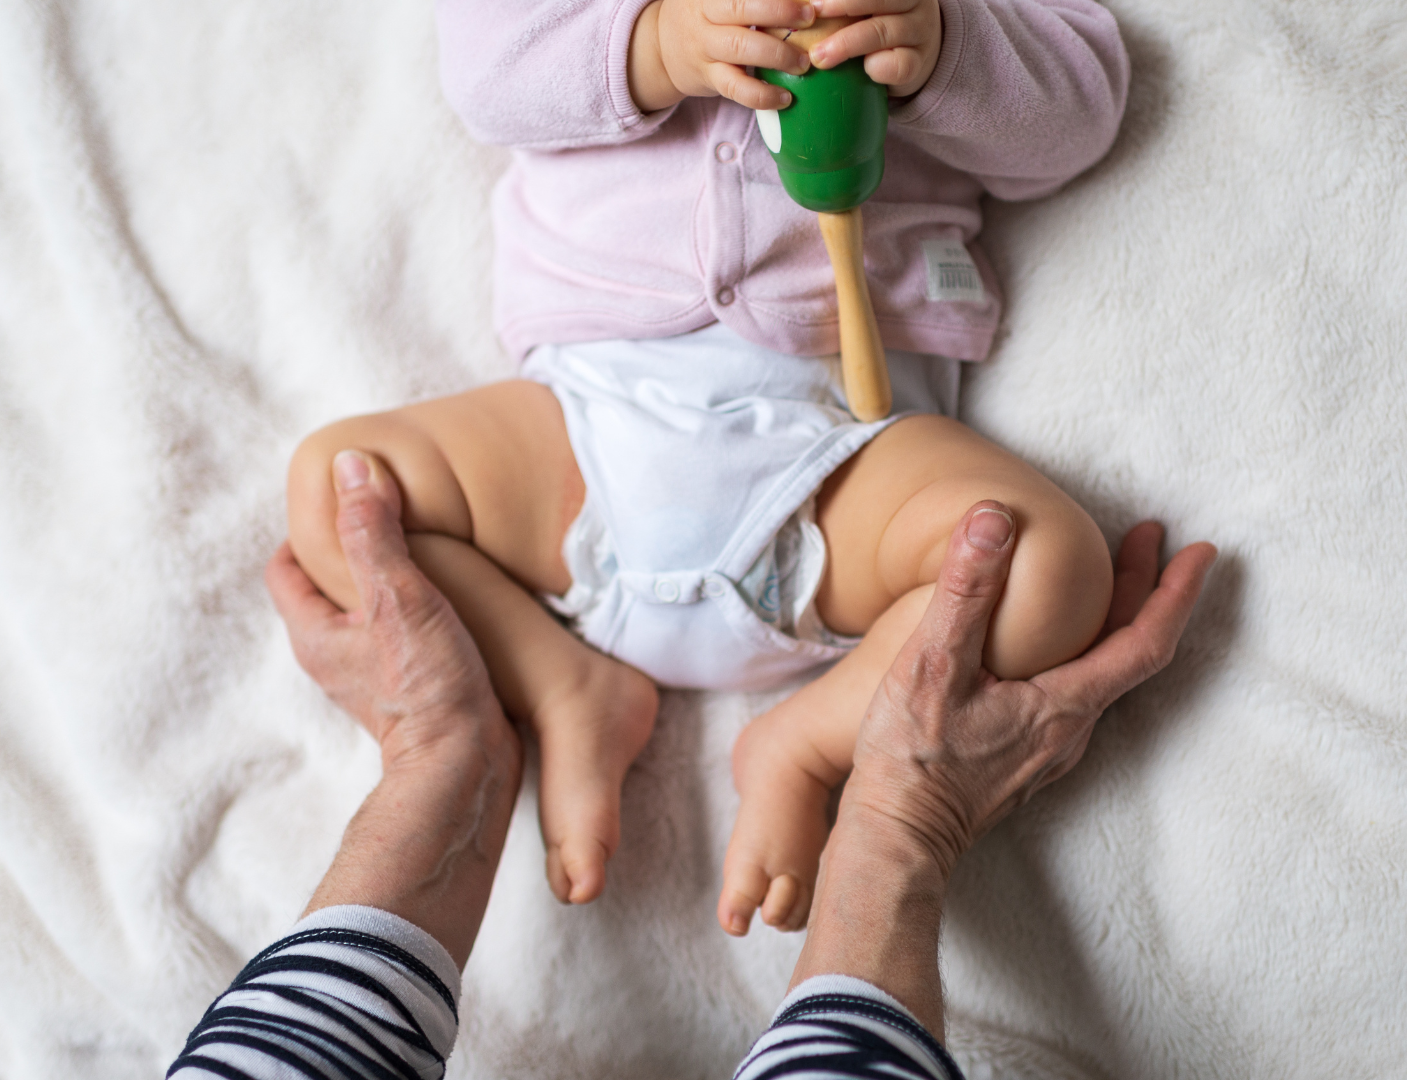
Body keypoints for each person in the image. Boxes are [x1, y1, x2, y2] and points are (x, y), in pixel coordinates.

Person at [285, 0, 1135, 940]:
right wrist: (652, 44)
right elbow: (487, 72)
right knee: (343, 485)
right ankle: (560, 685)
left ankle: (806, 743)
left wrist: (944, 50)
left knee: (1050, 564)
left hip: (841, 452)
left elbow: (1078, 116)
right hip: (587, 421)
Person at [169, 452, 1215, 1078]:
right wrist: (904, 821)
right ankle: (803, 742)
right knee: (1042, 569)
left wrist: (434, 753)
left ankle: (517, 709)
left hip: (688, 444)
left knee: (345, 496)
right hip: (769, 451)